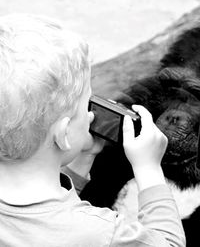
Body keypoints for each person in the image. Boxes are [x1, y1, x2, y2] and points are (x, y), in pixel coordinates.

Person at [0, 13, 185, 247]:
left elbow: (42, 219)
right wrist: (149, 169)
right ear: (63, 135)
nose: (90, 115)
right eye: (86, 103)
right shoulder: (100, 234)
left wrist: (82, 161)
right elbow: (170, 243)